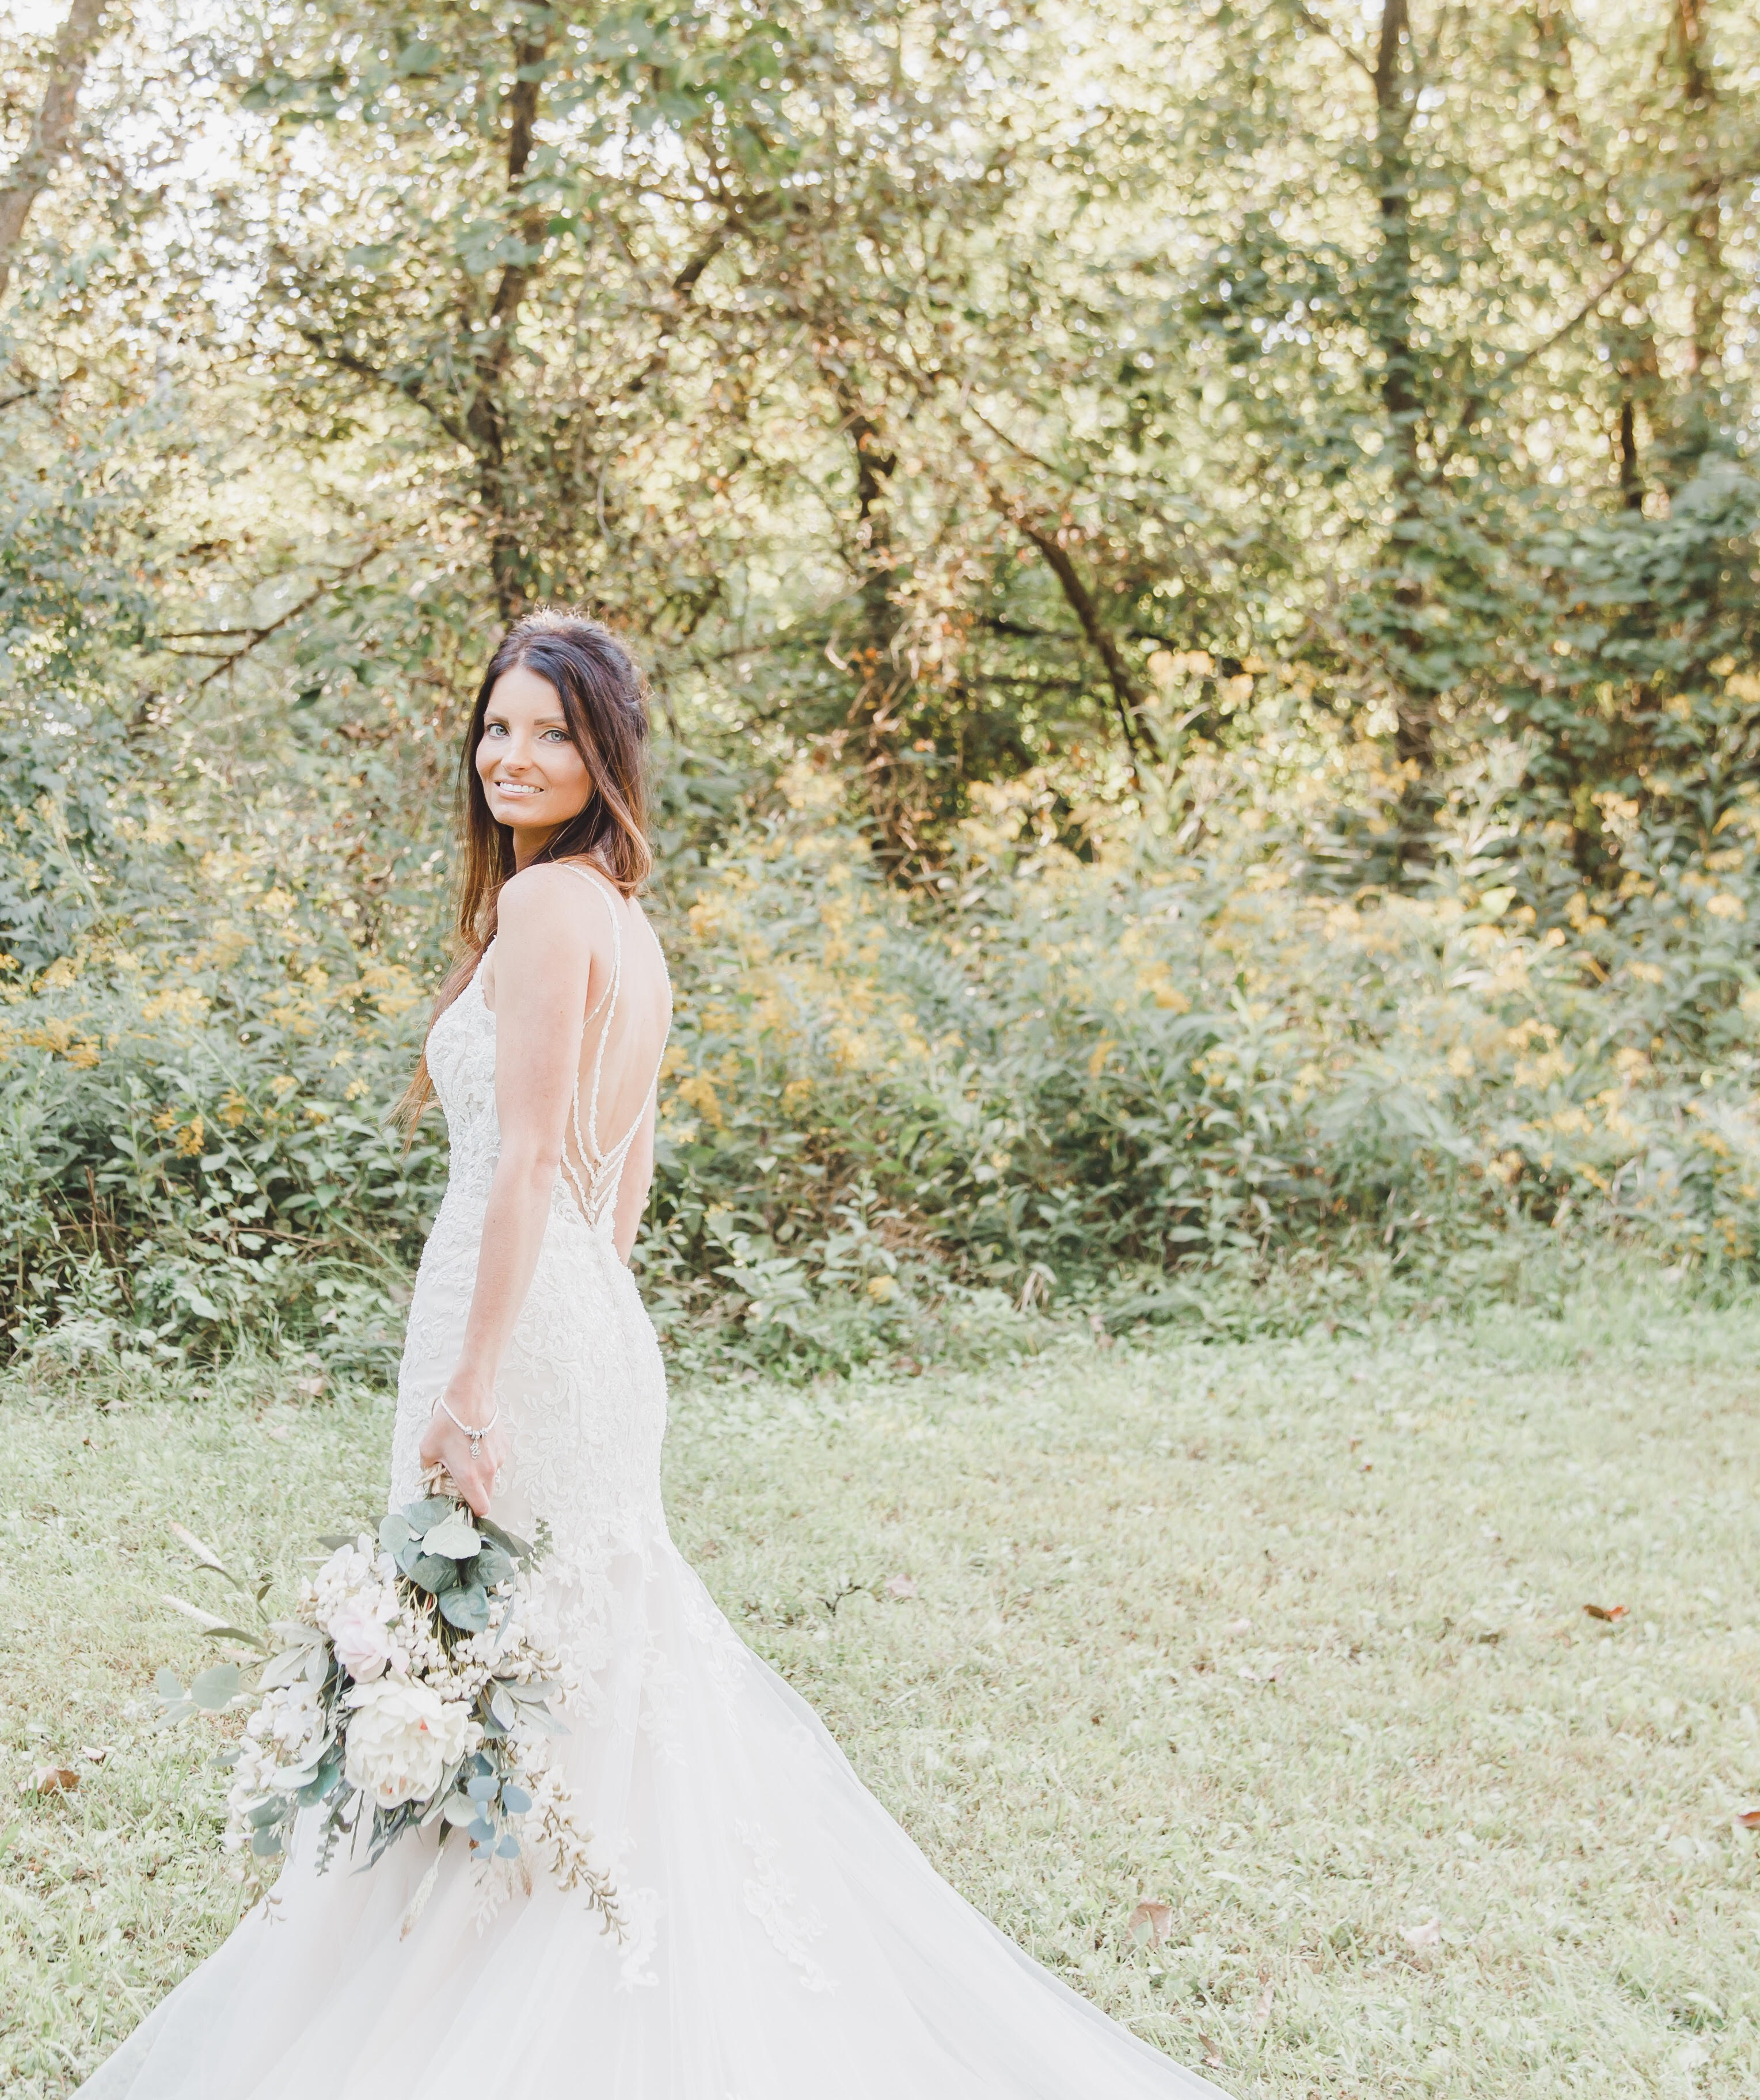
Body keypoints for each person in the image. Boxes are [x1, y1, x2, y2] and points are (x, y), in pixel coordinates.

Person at [77, 611, 1231, 2098]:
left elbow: (530, 1162)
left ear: (604, 754)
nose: (512, 754)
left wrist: (480, 1385)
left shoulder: (553, 913)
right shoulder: (626, 926)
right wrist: (577, 1335)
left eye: (551, 732)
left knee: (513, 1663)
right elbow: (614, 1195)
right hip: (579, 1320)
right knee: (570, 1675)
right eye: (498, 727)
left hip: (517, 1332)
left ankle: (495, 2005)